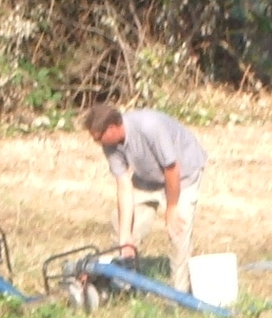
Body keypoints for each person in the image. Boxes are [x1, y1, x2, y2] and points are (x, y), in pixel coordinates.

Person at [80, 103, 207, 294]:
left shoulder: (149, 126)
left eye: (98, 137)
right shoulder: (110, 145)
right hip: (148, 176)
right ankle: (126, 281)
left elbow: (172, 169)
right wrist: (125, 237)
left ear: (112, 128)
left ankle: (179, 295)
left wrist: (171, 208)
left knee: (178, 230)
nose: (97, 142)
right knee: (120, 221)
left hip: (182, 175)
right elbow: (123, 185)